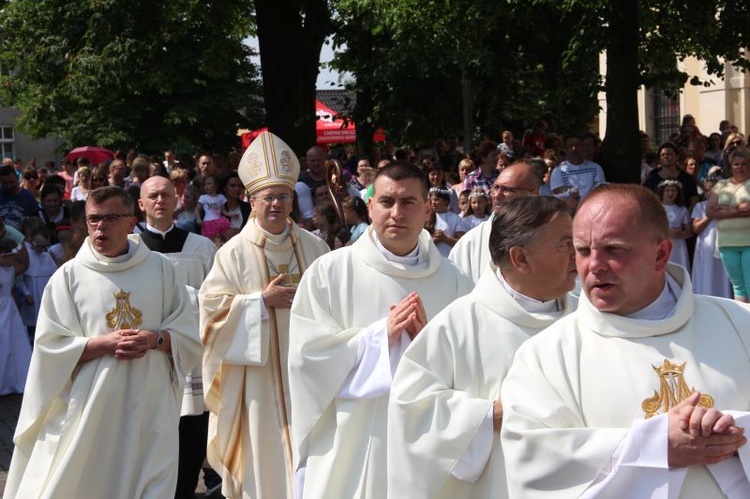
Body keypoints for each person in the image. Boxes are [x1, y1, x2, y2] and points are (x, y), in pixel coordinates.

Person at [500, 184, 750, 498]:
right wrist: (655, 447)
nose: (594, 265)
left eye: (613, 249)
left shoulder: (740, 324)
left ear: (660, 254)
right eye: (582, 250)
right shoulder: (544, 357)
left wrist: (739, 435)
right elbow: (532, 462)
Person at [288, 162, 473, 499]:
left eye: (408, 202)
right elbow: (305, 359)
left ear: (427, 209)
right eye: (387, 202)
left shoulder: (456, 281)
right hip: (354, 439)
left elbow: (475, 362)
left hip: (427, 441)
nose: (396, 213)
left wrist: (428, 345)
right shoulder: (329, 272)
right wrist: (377, 340)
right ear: (370, 206)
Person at [5, 186, 203, 498]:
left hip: (150, 405)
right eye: (94, 219)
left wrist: (157, 339)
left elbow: (188, 333)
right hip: (91, 408)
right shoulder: (68, 277)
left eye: (111, 218)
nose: (101, 227)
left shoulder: (161, 270)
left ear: (130, 222)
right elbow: (48, 349)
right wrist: (102, 344)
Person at [388, 196, 578, 499]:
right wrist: (491, 415)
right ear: (521, 258)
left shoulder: (589, 322)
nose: (578, 254)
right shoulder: (458, 324)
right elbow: (413, 411)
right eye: (564, 244)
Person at [199, 131, 330, 499]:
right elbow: (210, 316)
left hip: (309, 374)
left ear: (293, 199)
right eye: (268, 197)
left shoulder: (315, 247)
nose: (276, 203)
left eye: (283, 196)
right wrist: (259, 301)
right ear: (251, 201)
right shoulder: (232, 253)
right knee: (266, 464)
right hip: (256, 381)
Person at [137, 175, 218, 499]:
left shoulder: (201, 248)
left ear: (178, 200)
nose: (160, 201)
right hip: (148, 360)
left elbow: (215, 302)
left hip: (191, 361)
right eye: (153, 196)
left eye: (166, 195)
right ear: (140, 204)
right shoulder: (130, 249)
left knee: (190, 440)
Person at [449, 162, 540, 283]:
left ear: (533, 194)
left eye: (507, 189)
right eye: (495, 188)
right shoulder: (470, 243)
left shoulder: (550, 236)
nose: (497, 195)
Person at [708, 148, 750, 302]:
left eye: (744, 164)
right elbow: (710, 211)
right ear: (731, 166)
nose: (740, 167)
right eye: (736, 164)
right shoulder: (721, 184)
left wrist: (724, 209)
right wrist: (737, 211)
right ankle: (742, 322)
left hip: (748, 242)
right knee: (738, 287)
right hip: (727, 243)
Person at [691, 175, 732, 298]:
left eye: (713, 191)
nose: (710, 193)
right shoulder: (700, 206)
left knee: (722, 273)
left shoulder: (727, 205)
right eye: (707, 190)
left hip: (723, 242)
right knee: (706, 272)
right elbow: (696, 228)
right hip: (705, 245)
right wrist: (710, 215)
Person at [0, 238, 32, 395]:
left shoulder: (11, 269)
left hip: (10, 308)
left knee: (15, 341)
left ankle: (17, 378)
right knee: (4, 342)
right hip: (2, 308)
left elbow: (23, 265)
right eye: (10, 258)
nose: (13, 261)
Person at [645, 142, 700, 210]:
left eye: (669, 154)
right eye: (663, 155)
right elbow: (645, 198)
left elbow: (694, 200)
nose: (666, 156)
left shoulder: (687, 178)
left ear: (677, 156)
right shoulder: (652, 176)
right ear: (659, 158)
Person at [549, 134, 606, 200]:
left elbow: (600, 191)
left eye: (577, 145)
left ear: (583, 147)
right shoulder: (558, 171)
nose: (574, 149)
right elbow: (557, 193)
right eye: (570, 146)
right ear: (565, 149)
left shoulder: (596, 168)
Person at [658, 180, 692, 272]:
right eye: (667, 190)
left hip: (678, 245)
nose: (670, 193)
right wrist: (668, 232)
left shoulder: (682, 209)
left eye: (673, 191)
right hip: (661, 242)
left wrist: (680, 233)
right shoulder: (657, 208)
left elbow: (689, 232)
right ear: (662, 192)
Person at [295, 145, 328, 227]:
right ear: (307, 162)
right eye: (312, 161)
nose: (316, 163)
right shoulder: (301, 179)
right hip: (310, 220)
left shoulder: (333, 176)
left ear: (324, 160)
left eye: (319, 160)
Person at [425, 186, 462, 256]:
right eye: (431, 200)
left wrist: (445, 239)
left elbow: (462, 243)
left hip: (449, 258)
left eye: (436, 200)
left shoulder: (456, 219)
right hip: (430, 259)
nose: (433, 203)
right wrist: (434, 240)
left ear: (446, 201)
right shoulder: (426, 217)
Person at [0, 164, 39, 230]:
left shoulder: (28, 197)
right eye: (5, 183)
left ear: (17, 178)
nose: (9, 186)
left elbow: (36, 222)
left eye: (11, 182)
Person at [195, 174, 230, 240]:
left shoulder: (221, 197)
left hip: (219, 222)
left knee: (220, 240)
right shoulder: (203, 197)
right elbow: (197, 210)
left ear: (216, 185)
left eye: (209, 184)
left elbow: (223, 211)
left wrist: (231, 214)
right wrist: (198, 219)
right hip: (208, 223)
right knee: (208, 240)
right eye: (205, 184)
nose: (206, 186)